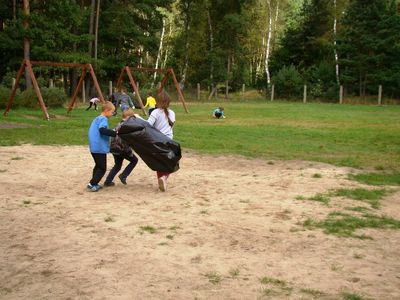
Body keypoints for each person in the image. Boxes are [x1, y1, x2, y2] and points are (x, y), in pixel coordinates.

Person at [147, 91, 175, 192]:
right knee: (171, 161)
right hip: (168, 141)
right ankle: (164, 178)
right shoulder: (172, 113)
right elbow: (171, 127)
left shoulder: (155, 112)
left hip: (157, 140)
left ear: (157, 102)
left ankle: (161, 178)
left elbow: (148, 125)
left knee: (158, 161)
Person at [104, 109, 139, 186]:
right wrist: (129, 152)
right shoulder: (127, 126)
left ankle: (108, 181)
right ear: (128, 117)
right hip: (121, 148)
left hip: (114, 148)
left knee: (117, 165)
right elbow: (124, 142)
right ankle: (123, 175)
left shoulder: (119, 124)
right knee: (134, 160)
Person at [87, 101, 116, 192]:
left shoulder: (97, 118)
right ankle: (92, 184)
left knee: (98, 166)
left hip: (94, 147)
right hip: (99, 147)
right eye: (112, 112)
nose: (112, 114)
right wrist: (115, 133)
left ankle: (94, 183)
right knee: (102, 168)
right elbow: (102, 130)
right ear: (107, 110)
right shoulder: (103, 119)